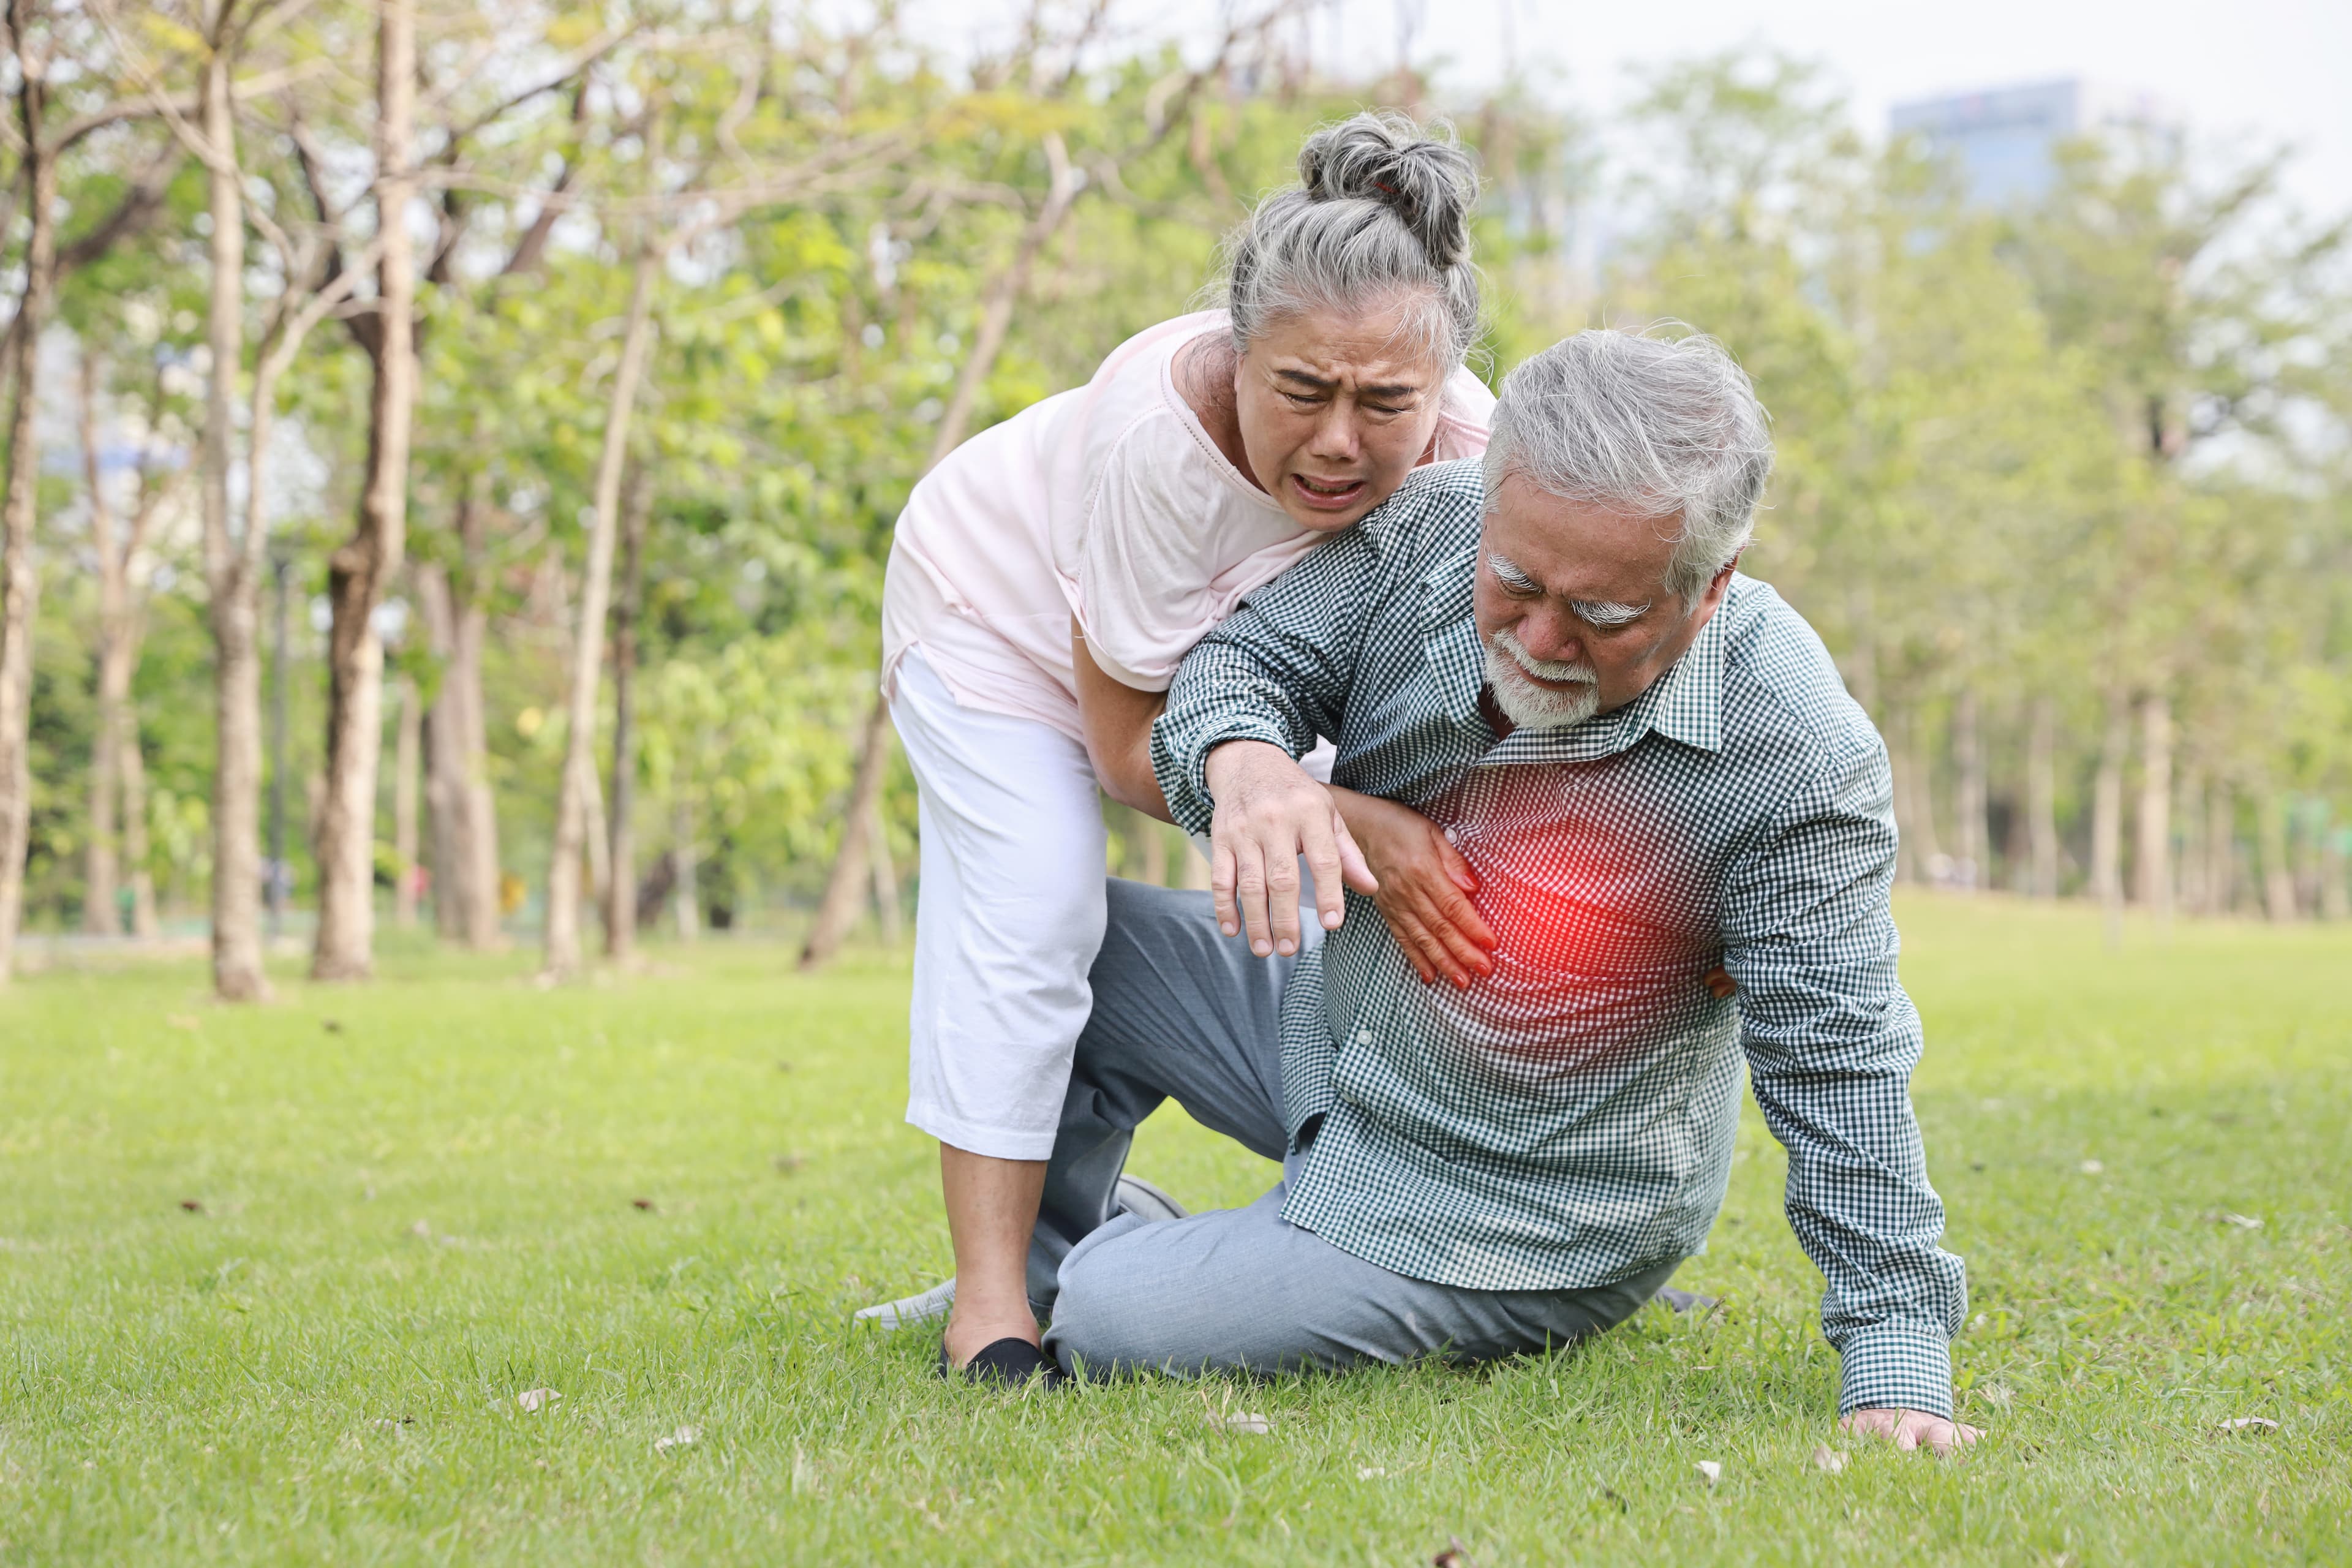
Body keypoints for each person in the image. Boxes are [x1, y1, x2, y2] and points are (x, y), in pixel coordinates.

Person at [1022, 326, 1980, 1456]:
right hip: (1336, 1030)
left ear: (1710, 588)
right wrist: (1250, 765)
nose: (1538, 636)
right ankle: (1007, 1288)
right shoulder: (1426, 530)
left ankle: (1114, 1270)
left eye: (1604, 615)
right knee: (1067, 938)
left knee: (1109, 1317)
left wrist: (1897, 1358)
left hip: (1510, 1208)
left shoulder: (1797, 757)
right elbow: (1243, 668)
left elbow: (1841, 1061)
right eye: (1517, 580)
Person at [876, 113, 1502, 1384]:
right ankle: (991, 1310)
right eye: (1301, 392)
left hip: (1216, 687)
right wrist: (1345, 815)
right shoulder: (1156, 445)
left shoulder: (1473, 457)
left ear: (1438, 391)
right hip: (998, 625)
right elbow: (1122, 748)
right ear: (1238, 349)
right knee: (1039, 904)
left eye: (1384, 403)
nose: (1338, 442)